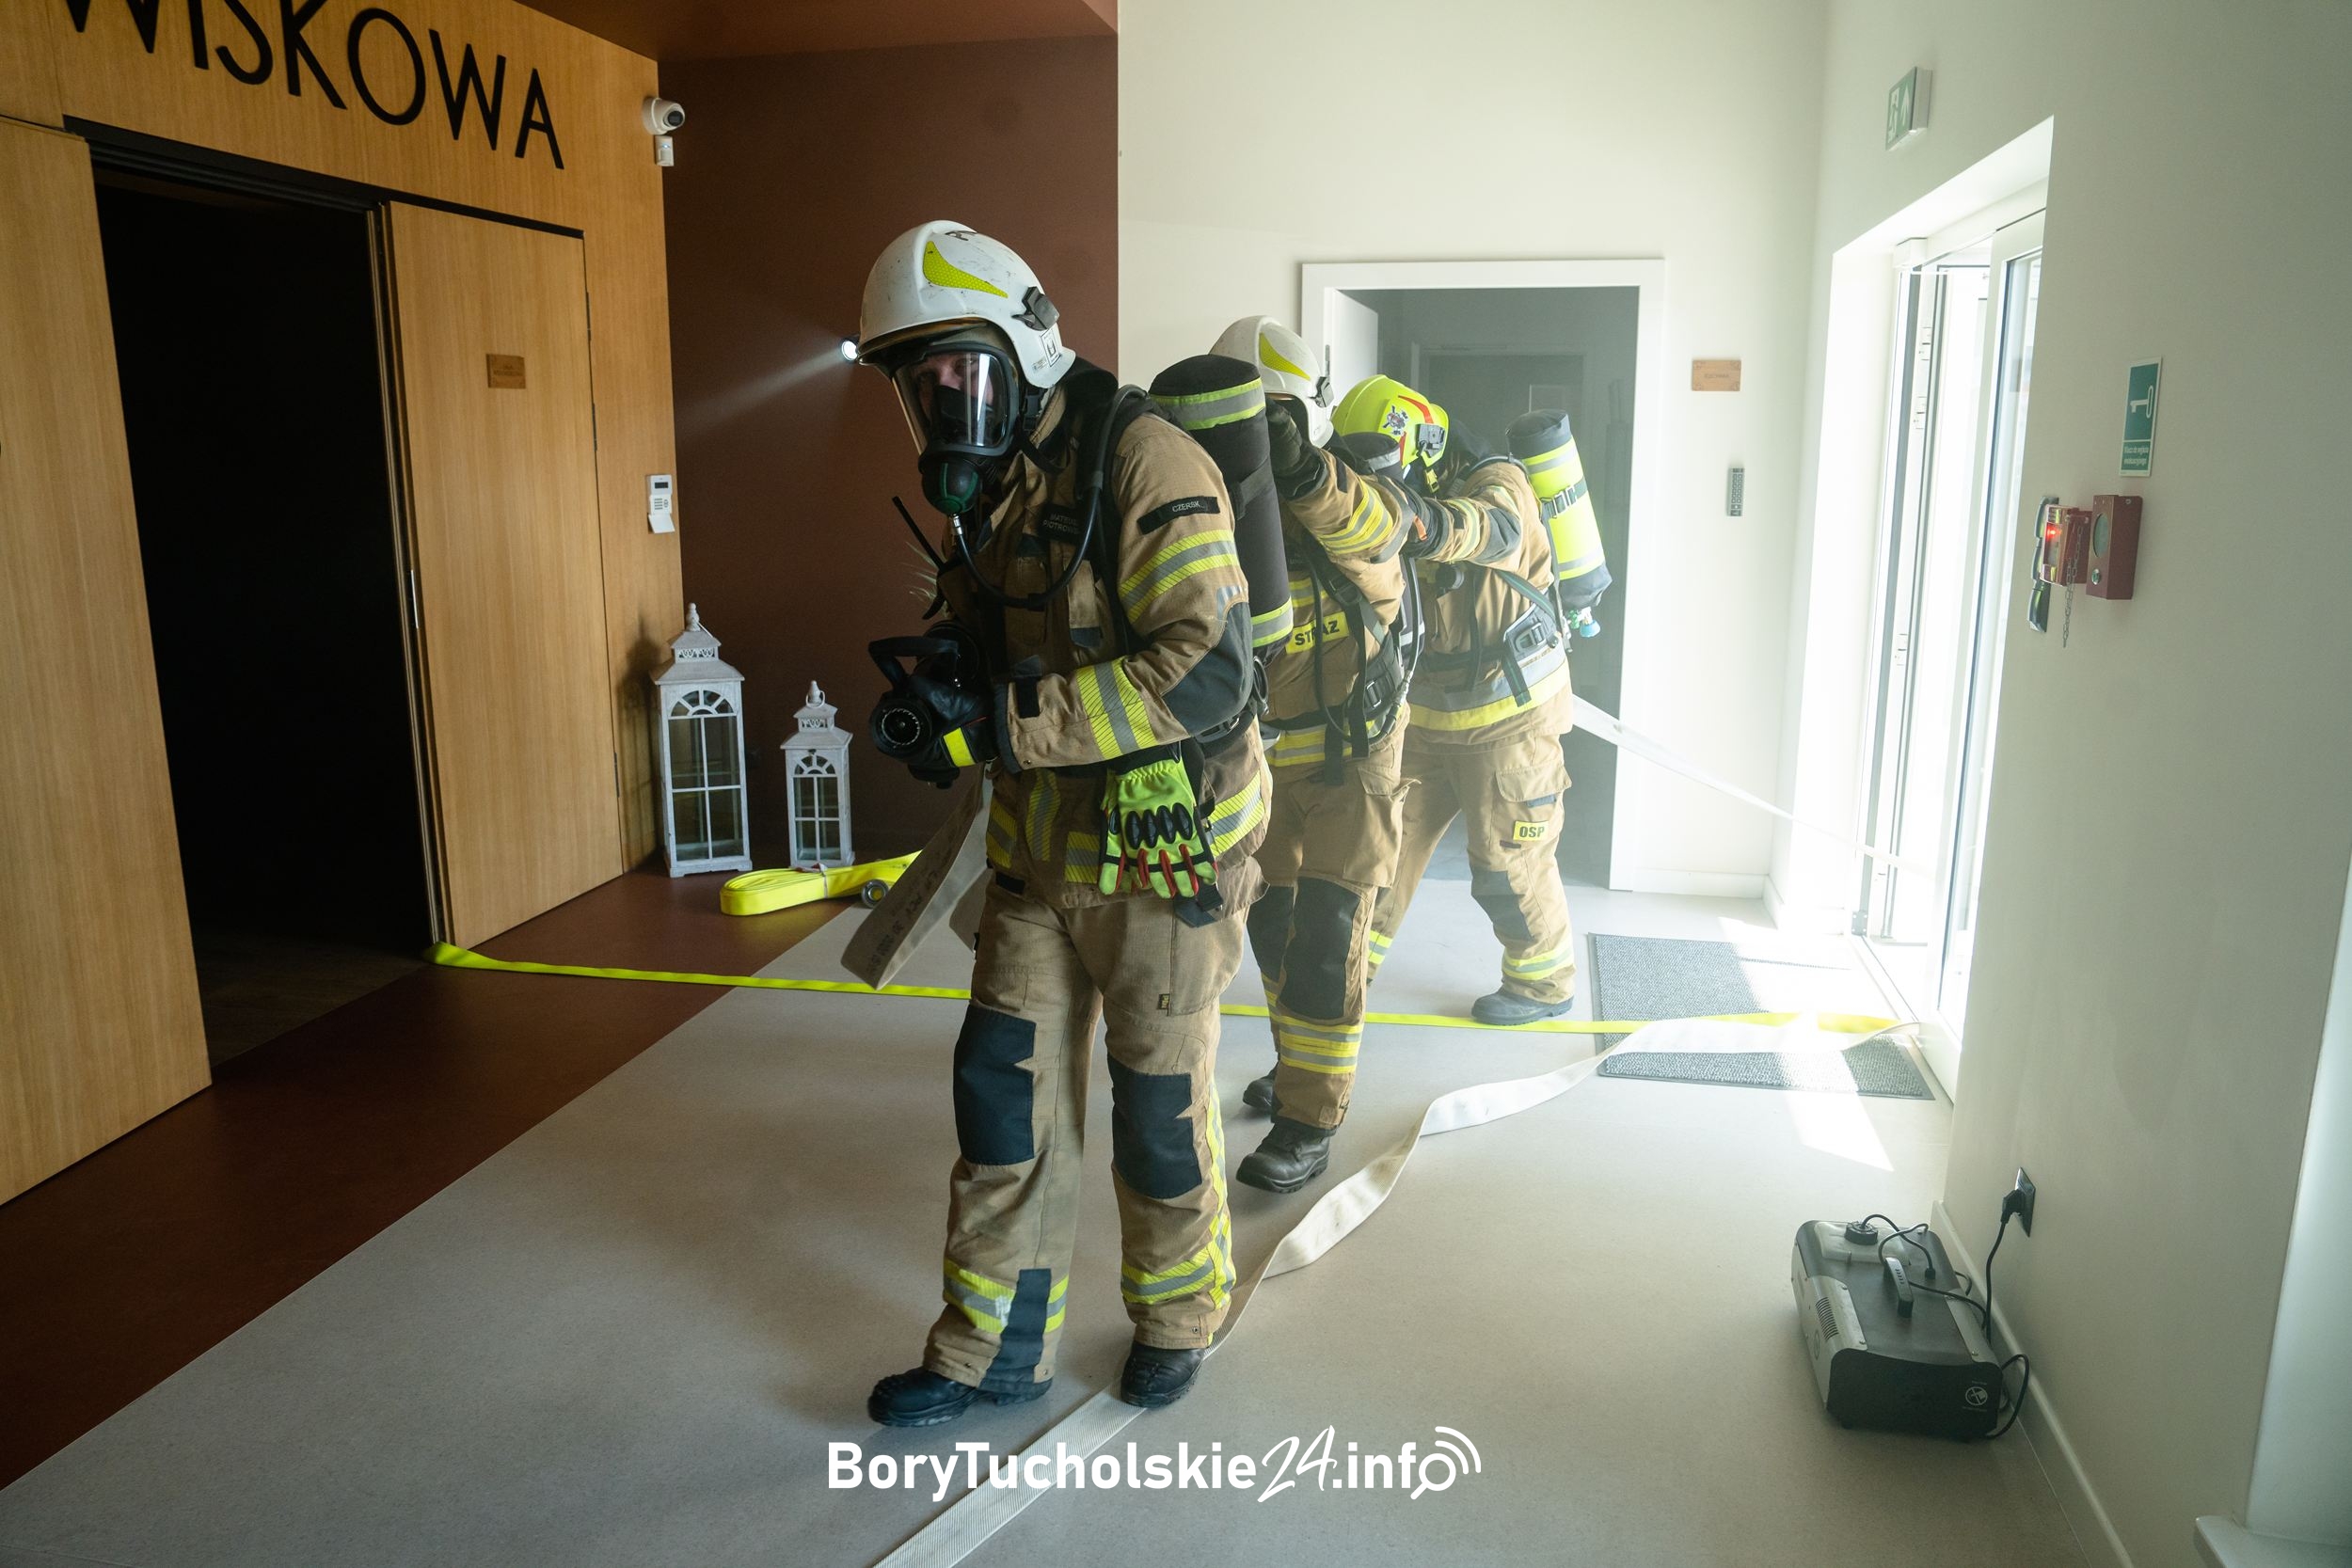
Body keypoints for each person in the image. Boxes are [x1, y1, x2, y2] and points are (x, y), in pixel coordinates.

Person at [853, 223, 1268, 1425]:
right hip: (1038, 848)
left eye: (958, 368)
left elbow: (1207, 673)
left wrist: (1008, 718)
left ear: (1027, 344)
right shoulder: (988, 487)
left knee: (1156, 1102)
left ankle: (1178, 1315)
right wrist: (946, 677)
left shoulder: (1150, 461)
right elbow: (1000, 636)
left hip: (1163, 850)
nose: (942, 401)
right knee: (1002, 1094)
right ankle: (989, 1346)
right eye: (918, 380)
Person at [1183, 320, 1410, 1193]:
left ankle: (1310, 1119)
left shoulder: (1351, 492)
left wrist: (1304, 470)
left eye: (1266, 419)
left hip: (1354, 762)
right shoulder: (1213, 511)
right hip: (1267, 764)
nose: (1247, 443)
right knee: (1274, 929)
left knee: (1327, 938)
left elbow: (1382, 545)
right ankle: (1297, 1067)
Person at [1343, 376, 1580, 1025]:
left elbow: (1498, 532)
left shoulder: (1495, 480)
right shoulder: (1398, 487)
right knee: (1376, 851)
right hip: (1423, 714)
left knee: (1506, 862)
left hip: (1511, 718)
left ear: (1426, 443)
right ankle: (1343, 978)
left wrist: (1421, 524)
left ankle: (1543, 984)